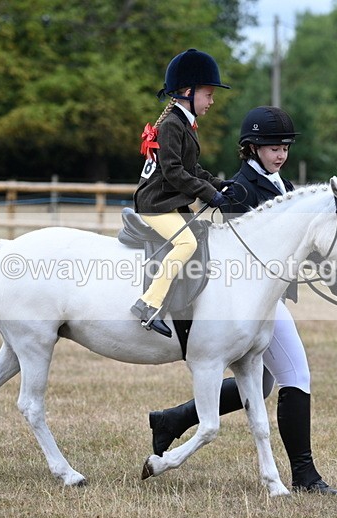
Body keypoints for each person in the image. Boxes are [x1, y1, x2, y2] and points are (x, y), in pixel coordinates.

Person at [147, 106, 337, 495]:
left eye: (285, 147)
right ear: (251, 148)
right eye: (273, 147)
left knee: (267, 381)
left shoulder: (282, 186)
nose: (281, 154)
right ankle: (305, 477)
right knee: (295, 377)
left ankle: (172, 420)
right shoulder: (242, 189)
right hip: (249, 302)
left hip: (268, 300)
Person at [132, 49, 233, 337]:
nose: (212, 101)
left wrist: (217, 185)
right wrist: (208, 195)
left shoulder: (184, 123)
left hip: (170, 202)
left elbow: (192, 168)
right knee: (186, 244)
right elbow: (175, 171)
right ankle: (149, 305)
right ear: (189, 92)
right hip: (155, 204)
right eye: (209, 94)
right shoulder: (172, 125)